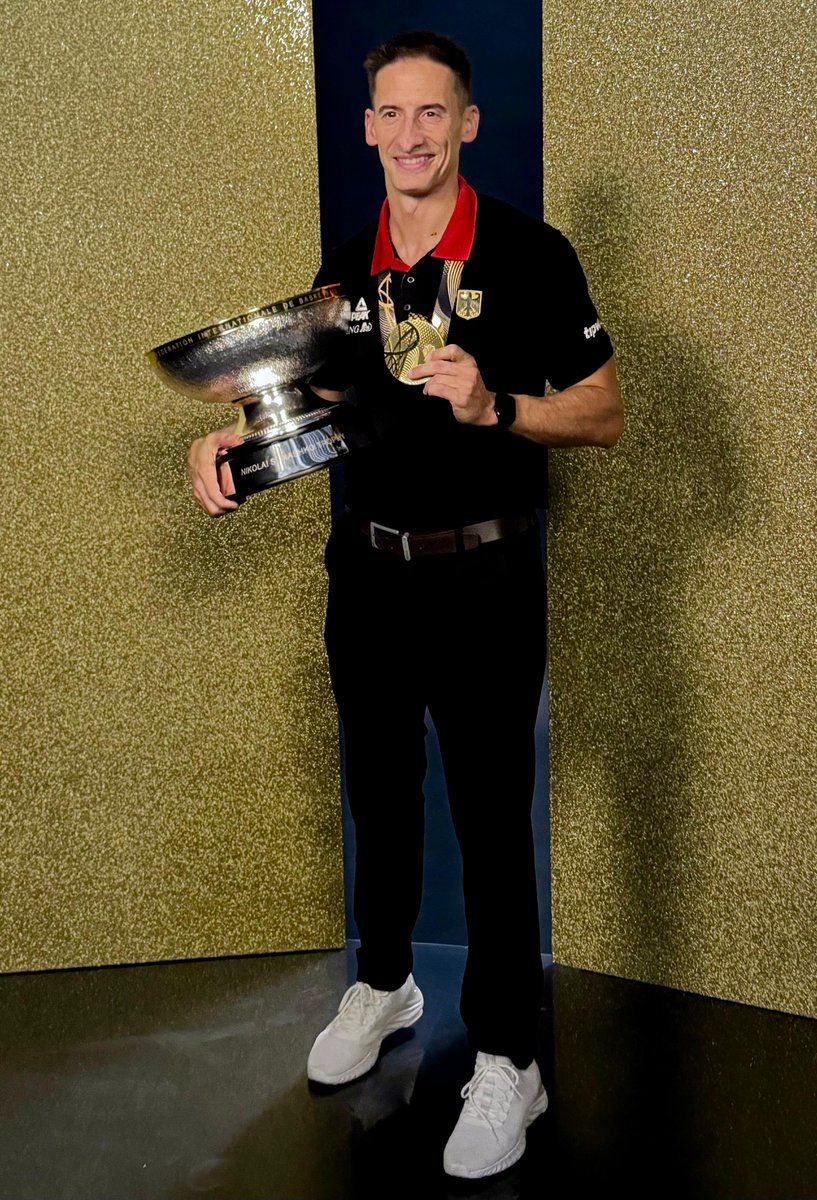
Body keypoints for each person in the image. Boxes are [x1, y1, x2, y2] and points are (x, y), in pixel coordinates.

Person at [187, 30, 623, 1181]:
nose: (415, 132)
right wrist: (232, 450)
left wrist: (496, 407)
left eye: (436, 112)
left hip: (484, 571)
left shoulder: (531, 256)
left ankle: (508, 1061)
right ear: (369, 127)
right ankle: (384, 984)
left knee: (488, 815)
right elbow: (323, 415)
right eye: (394, 113)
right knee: (377, 794)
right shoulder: (345, 272)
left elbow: (604, 412)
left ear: (467, 124)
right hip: (369, 572)